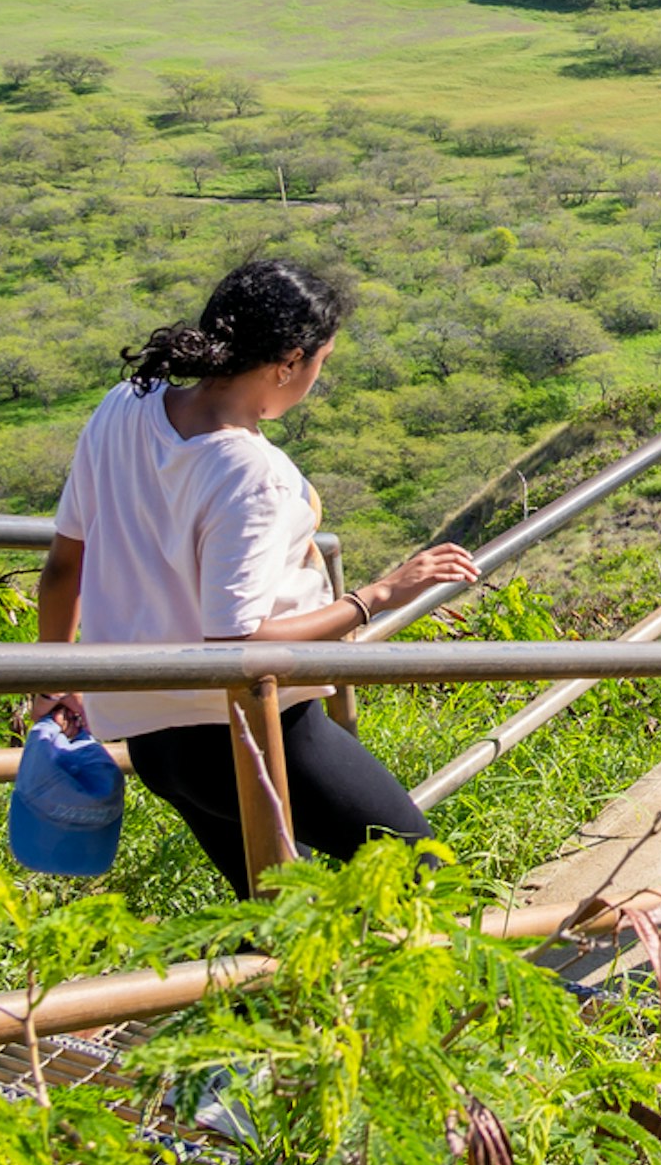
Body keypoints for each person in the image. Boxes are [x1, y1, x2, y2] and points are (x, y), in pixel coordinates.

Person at [30, 259, 481, 897]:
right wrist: (375, 597)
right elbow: (238, 644)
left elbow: (62, 567)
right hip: (255, 733)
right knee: (423, 873)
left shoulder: (122, 409)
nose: (318, 378)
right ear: (287, 362)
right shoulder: (250, 471)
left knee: (277, 914)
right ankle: (486, 996)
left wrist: (55, 685)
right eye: (322, 361)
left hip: (152, 740)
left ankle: (285, 998)